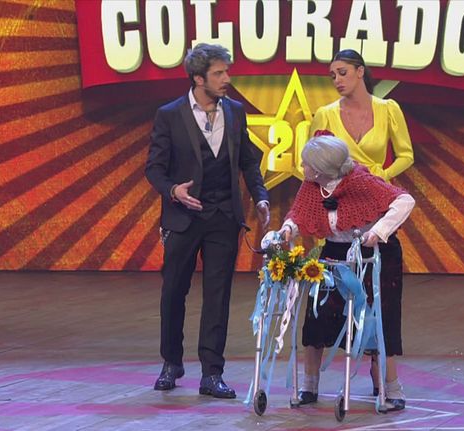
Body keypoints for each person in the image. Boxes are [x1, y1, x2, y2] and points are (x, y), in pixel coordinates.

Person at [145, 43, 270, 399]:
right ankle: (171, 363)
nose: (227, 79)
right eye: (219, 73)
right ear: (198, 79)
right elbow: (154, 168)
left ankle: (212, 373)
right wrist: (173, 191)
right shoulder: (170, 115)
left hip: (222, 217)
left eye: (226, 71)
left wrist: (260, 195)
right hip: (183, 218)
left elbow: (248, 160)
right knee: (174, 292)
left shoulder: (235, 111)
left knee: (218, 295)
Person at [297, 48, 415, 410]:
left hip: (373, 207)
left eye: (343, 72)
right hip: (338, 226)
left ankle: (387, 384)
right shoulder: (325, 114)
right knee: (322, 308)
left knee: (381, 308)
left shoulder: (389, 109)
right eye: (332, 74)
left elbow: (406, 154)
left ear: (361, 71)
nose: (336, 80)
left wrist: (381, 177)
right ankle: (309, 384)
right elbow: (313, 168)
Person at [277, 134, 415, 411]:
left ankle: (390, 387)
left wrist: (379, 231)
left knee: (378, 319)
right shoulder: (312, 185)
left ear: (320, 168)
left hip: (375, 255)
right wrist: (288, 228)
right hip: (335, 253)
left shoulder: (361, 181)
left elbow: (404, 200)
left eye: (305, 163)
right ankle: (309, 386)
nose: (302, 167)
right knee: (317, 315)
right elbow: (300, 214)